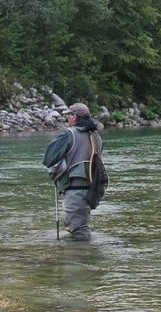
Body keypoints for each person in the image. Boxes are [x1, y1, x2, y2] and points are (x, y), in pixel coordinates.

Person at [42, 102, 103, 241]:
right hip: (92, 188)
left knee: (79, 230)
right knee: (81, 226)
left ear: (74, 117)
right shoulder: (96, 136)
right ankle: (85, 256)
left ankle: (81, 258)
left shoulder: (69, 134)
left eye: (68, 115)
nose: (67, 118)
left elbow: (48, 158)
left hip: (75, 188)